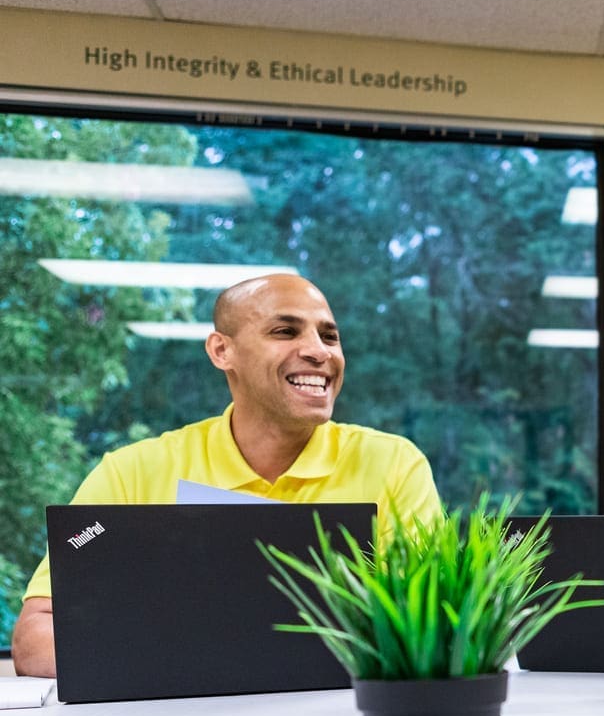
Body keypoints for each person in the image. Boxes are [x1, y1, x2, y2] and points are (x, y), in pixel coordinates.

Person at [11, 273, 441, 678]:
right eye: (285, 331)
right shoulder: (131, 473)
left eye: (329, 335)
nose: (319, 351)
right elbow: (35, 640)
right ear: (222, 351)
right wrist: (199, 657)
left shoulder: (394, 464)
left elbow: (437, 628)